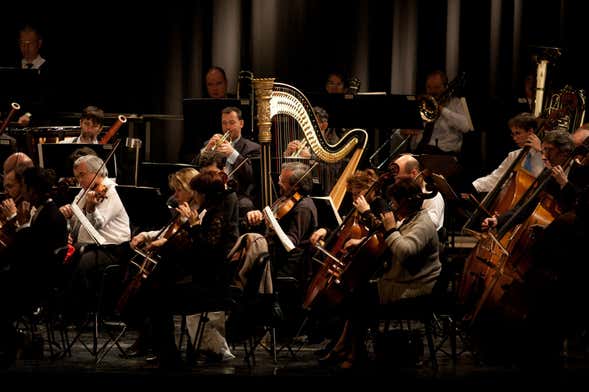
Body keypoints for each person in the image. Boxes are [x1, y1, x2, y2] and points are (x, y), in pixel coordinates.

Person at [320, 177, 441, 369]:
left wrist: (391, 227)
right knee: (355, 293)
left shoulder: (423, 225)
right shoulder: (409, 219)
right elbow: (386, 235)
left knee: (359, 298)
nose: (391, 206)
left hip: (414, 290)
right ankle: (348, 348)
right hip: (398, 283)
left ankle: (353, 352)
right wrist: (371, 222)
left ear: (405, 202)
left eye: (393, 202)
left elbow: (404, 251)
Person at [142, 170, 239, 368]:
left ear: (204, 194)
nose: (193, 195)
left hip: (211, 287)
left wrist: (192, 226)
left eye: (196, 192)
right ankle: (166, 352)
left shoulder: (216, 215)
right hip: (203, 279)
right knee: (155, 286)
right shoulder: (209, 211)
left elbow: (207, 253)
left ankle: (168, 355)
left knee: (156, 297)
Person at [0, 167, 68, 367]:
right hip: (32, 276)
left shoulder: (50, 215)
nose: (21, 191)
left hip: (35, 284)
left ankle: (14, 341)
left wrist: (14, 220)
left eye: (23, 187)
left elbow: (28, 252)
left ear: (32, 190)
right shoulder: (44, 210)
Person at [59, 154, 131, 315]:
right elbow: (76, 222)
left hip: (112, 249)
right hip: (88, 246)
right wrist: (67, 219)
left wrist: (91, 209)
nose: (79, 181)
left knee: (81, 264)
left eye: (82, 175)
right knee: (60, 255)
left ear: (98, 172)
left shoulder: (110, 192)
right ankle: (64, 307)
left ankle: (81, 311)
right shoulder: (85, 192)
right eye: (77, 177)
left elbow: (99, 224)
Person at [196, 106, 260, 202]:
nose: (227, 127)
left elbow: (252, 176)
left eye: (232, 123)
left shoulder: (253, 147)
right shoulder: (209, 144)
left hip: (238, 194)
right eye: (224, 123)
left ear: (241, 123)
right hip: (211, 191)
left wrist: (232, 154)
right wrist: (206, 150)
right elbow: (195, 169)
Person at [472, 112, 544, 195]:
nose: (514, 138)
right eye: (513, 134)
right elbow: (496, 178)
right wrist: (474, 186)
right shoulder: (514, 155)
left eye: (518, 133)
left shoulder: (544, 155)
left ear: (530, 132)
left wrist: (540, 152)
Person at [408, 70, 471, 156]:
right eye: (429, 87)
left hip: (444, 153)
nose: (432, 91)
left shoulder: (456, 103)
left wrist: (442, 110)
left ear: (445, 87)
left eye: (436, 87)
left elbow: (466, 127)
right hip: (419, 150)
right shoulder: (422, 104)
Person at [284, 106, 343, 195]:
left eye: (312, 123)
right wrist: (288, 154)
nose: (307, 126)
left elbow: (333, 171)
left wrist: (310, 159)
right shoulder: (304, 140)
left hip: (324, 190)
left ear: (324, 125)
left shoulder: (334, 144)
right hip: (301, 188)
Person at [393, 153, 445, 231]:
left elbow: (431, 224)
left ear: (414, 173)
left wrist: (394, 224)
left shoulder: (432, 196)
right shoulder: (403, 194)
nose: (396, 183)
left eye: (399, 179)